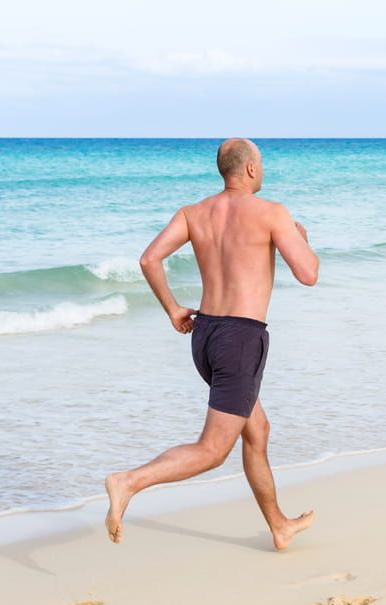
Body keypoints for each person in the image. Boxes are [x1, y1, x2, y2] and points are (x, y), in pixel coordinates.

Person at [104, 138, 319, 551]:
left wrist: (172, 310)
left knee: (257, 430)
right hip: (241, 339)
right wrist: (302, 240)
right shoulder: (272, 212)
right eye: (262, 164)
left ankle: (279, 525)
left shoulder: (193, 213)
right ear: (252, 169)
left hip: (205, 335)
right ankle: (128, 481)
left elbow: (149, 259)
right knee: (213, 449)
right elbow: (308, 273)